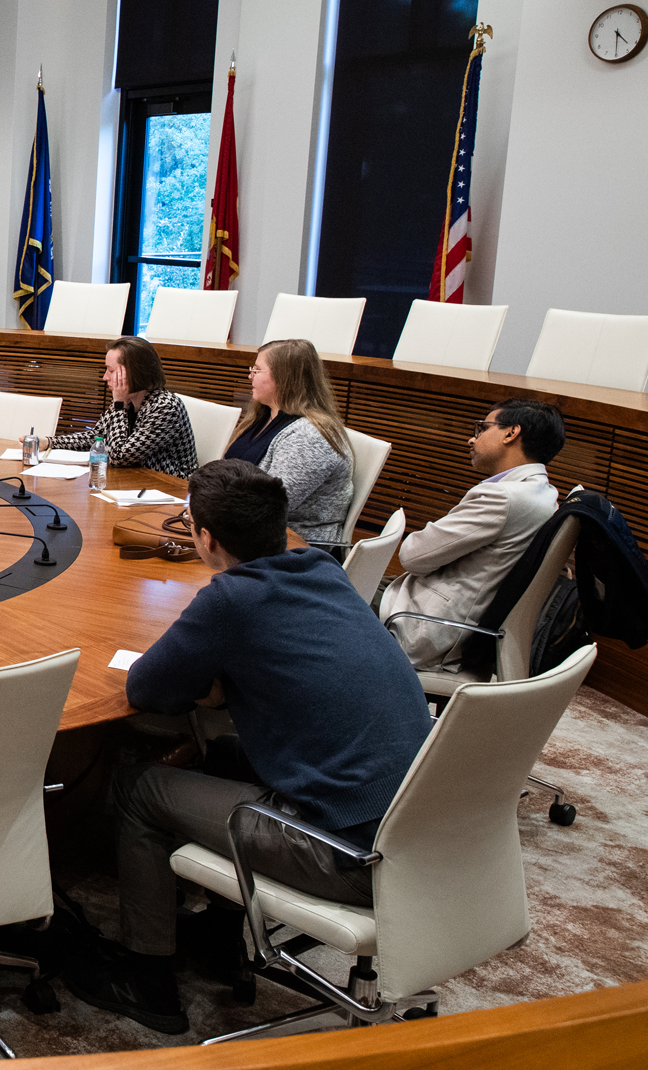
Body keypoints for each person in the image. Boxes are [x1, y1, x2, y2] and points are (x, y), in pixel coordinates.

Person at [66, 460, 432, 1035]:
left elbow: (147, 689)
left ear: (205, 539)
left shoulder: (230, 601)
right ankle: (216, 939)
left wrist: (216, 679)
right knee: (220, 757)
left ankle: (147, 980)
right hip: (419, 826)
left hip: (350, 852)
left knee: (138, 789)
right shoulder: (322, 569)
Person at [382, 399, 564, 670]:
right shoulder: (545, 493)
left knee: (323, 601)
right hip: (459, 621)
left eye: (482, 428)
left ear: (510, 433)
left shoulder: (502, 497)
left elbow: (412, 556)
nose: (471, 439)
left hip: (426, 626)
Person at [225, 338, 352, 544]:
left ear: (283, 378)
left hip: (293, 547)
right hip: (248, 531)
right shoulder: (263, 415)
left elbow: (271, 505)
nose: (250, 376)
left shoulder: (310, 437)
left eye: (257, 370)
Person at [49, 335, 198, 477]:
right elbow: (96, 438)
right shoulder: (128, 400)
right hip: (137, 482)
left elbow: (119, 457)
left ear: (134, 373)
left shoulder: (165, 407)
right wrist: (50, 442)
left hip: (171, 490)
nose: (105, 377)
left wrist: (119, 405)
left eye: (112, 371)